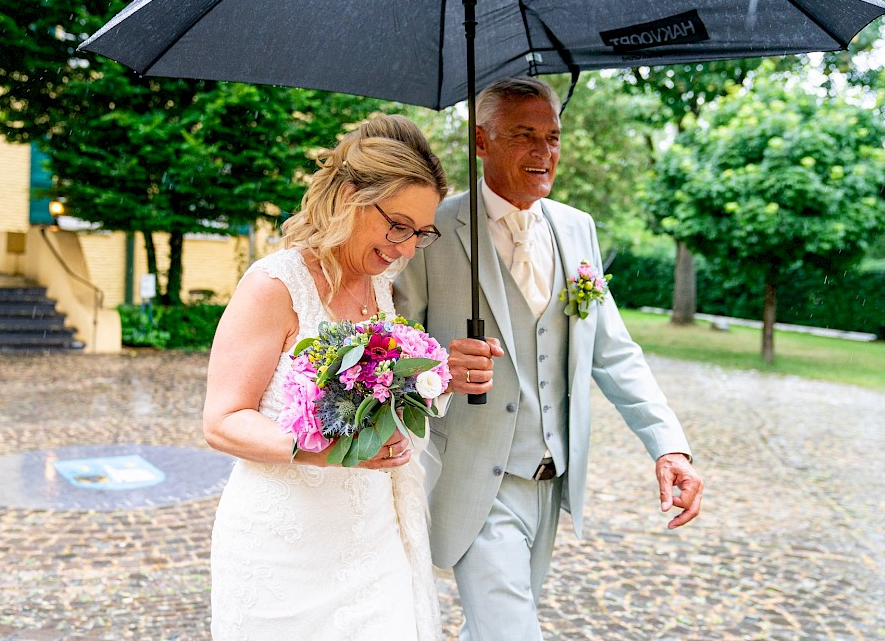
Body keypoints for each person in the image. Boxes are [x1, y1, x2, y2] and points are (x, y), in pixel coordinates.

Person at [394, 77, 704, 640]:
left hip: (551, 480)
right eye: (524, 135)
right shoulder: (433, 231)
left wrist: (668, 445)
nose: (544, 152)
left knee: (492, 628)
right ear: (481, 142)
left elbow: (614, 353)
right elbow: (389, 349)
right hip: (473, 479)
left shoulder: (576, 229)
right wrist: (436, 364)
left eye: (553, 137)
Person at [203, 114, 448, 640]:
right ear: (350, 196)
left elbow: (374, 395)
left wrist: (440, 375)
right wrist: (331, 450)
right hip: (283, 555)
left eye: (419, 234)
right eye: (398, 226)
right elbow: (223, 421)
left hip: (372, 542)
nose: (405, 249)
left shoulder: (379, 289)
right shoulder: (274, 285)